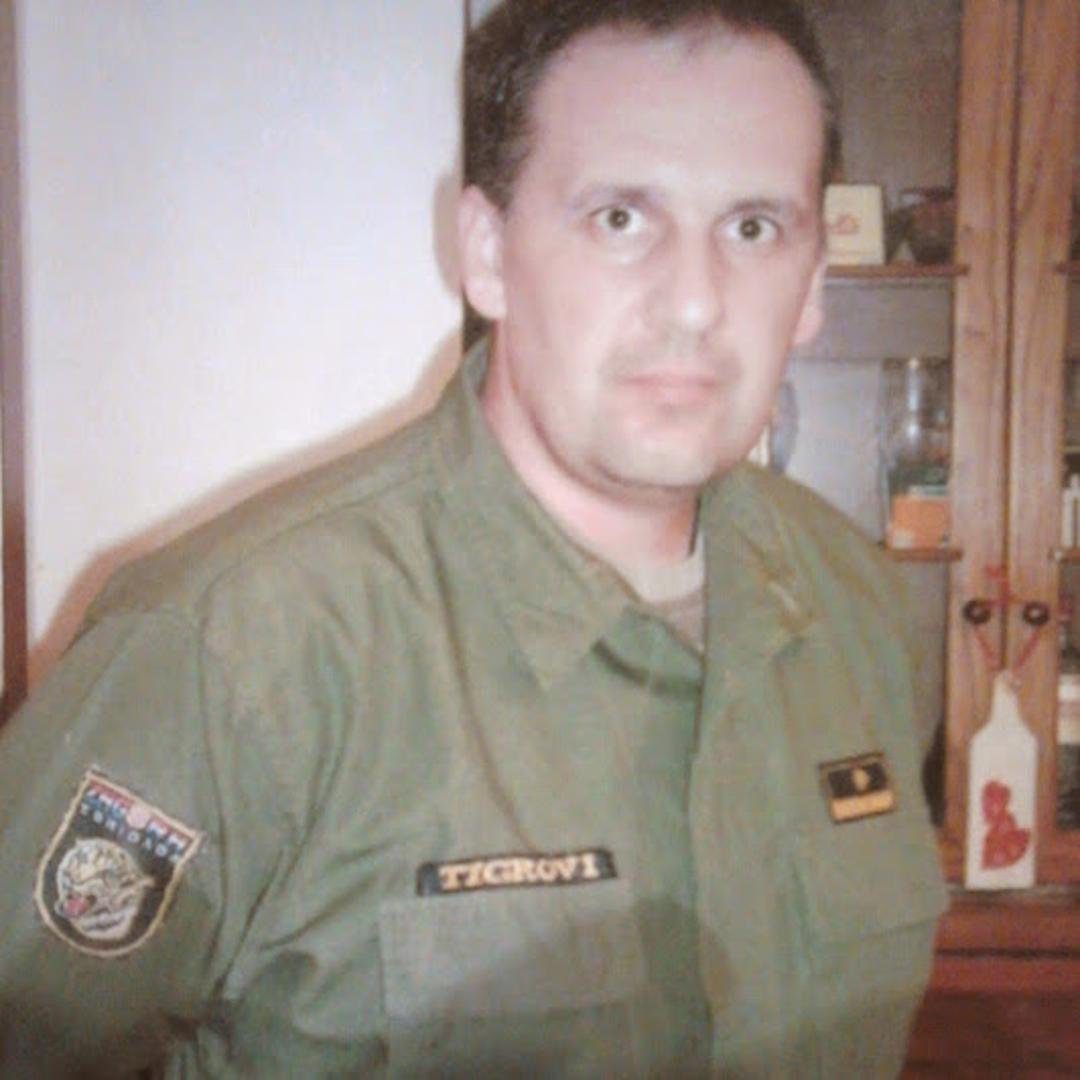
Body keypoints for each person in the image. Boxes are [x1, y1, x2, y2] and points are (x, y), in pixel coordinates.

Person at [0, 0, 947, 1075]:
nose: (694, 302)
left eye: (752, 229)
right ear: (487, 253)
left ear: (814, 284)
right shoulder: (237, 653)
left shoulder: (856, 607)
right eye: (620, 219)